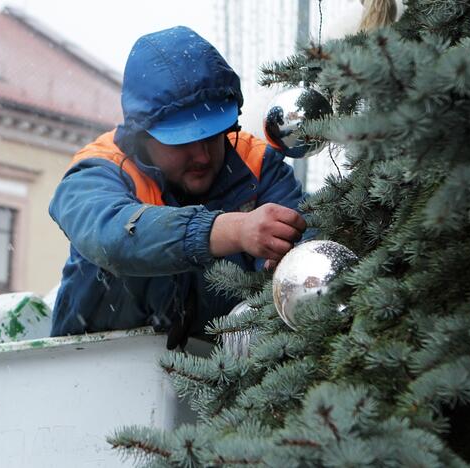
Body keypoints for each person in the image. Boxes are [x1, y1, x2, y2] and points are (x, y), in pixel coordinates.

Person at [49, 26, 307, 348]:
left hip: (217, 375)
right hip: (92, 367)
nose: (202, 155)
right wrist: (232, 230)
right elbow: (112, 239)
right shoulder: (98, 172)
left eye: (212, 135)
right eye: (182, 140)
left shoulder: (257, 164)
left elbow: (303, 252)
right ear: (142, 136)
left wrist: (282, 264)